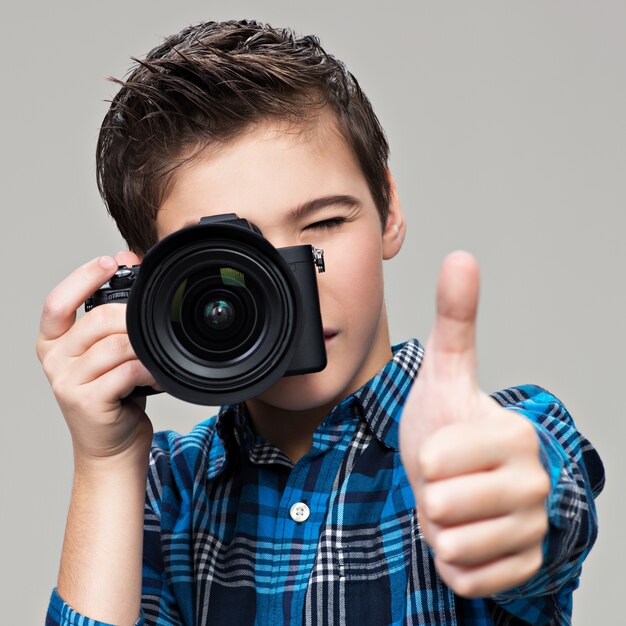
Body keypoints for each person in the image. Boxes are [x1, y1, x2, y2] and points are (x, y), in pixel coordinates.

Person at [38, 19, 604, 626]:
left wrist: (505, 502)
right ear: (157, 283)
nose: (294, 287)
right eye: (236, 257)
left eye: (324, 224)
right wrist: (105, 465)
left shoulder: (500, 433)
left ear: (387, 211)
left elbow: (542, 501)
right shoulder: (164, 492)